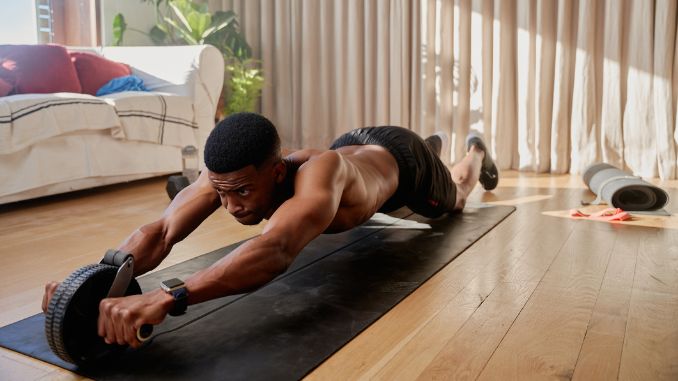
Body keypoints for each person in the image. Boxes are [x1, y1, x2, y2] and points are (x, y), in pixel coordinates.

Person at [42, 112, 498, 348]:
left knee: (455, 198)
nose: (230, 205)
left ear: (277, 172)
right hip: (359, 143)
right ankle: (435, 143)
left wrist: (168, 295)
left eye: (241, 191)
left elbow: (276, 248)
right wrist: (88, 282)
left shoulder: (322, 174)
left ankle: (472, 151)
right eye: (220, 192)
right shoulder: (227, 176)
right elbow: (162, 231)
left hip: (405, 165)